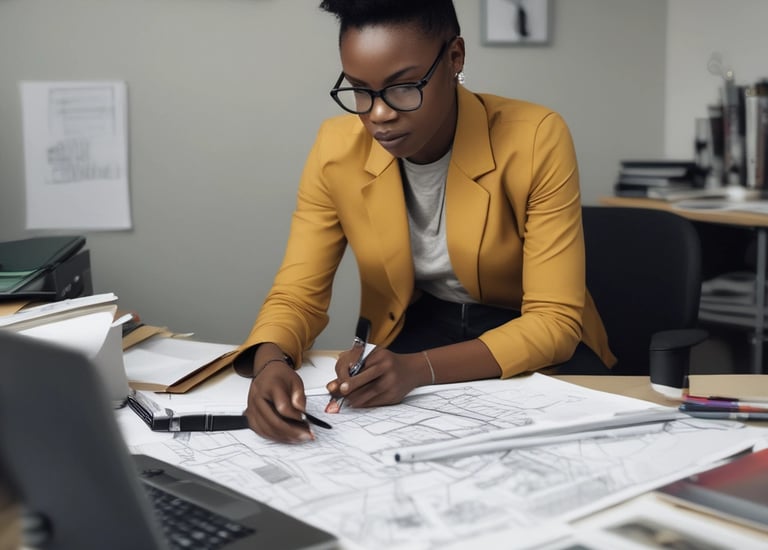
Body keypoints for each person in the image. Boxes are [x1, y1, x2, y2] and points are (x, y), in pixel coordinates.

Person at [233, 0, 616, 443]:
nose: (378, 114)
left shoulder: (536, 136)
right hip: (417, 329)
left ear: (455, 58)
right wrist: (270, 363)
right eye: (360, 90)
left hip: (529, 336)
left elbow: (554, 320)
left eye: (403, 87)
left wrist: (419, 369)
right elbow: (298, 293)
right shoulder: (335, 149)